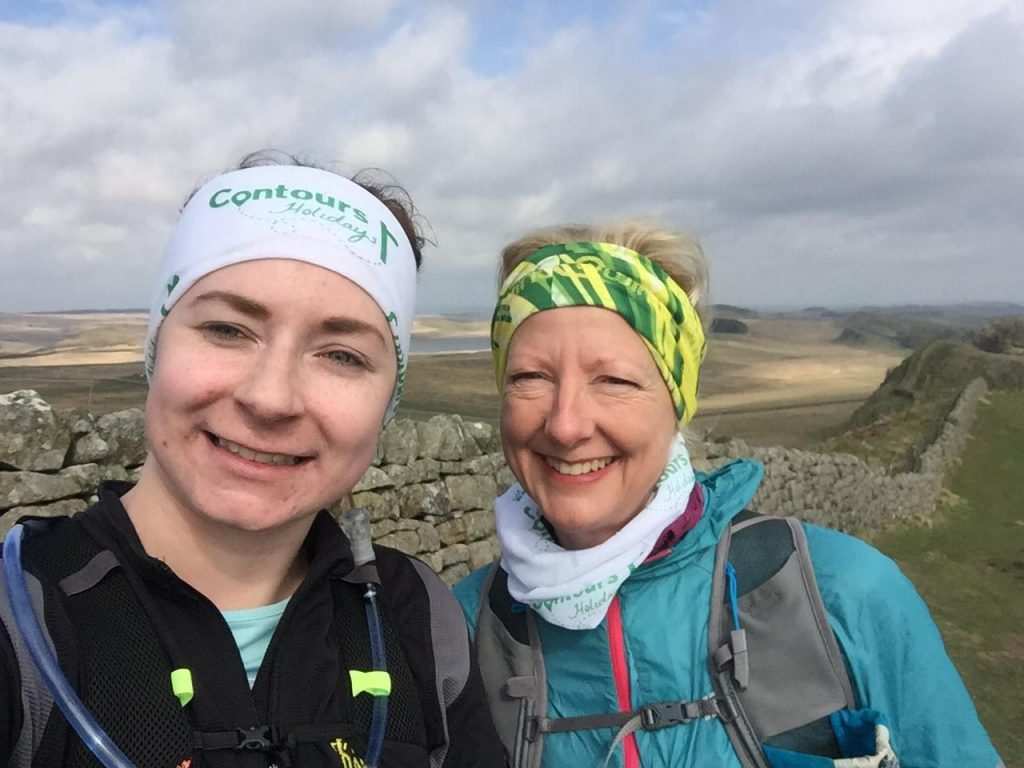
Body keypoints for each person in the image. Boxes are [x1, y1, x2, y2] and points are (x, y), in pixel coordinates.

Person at [0, 151, 503, 768]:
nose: (270, 398)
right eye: (228, 330)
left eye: (342, 355)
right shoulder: (20, 618)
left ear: (388, 404)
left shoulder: (417, 618)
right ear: (156, 349)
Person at [454, 224, 1003, 768]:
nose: (566, 425)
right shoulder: (460, 631)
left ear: (678, 402)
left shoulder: (844, 596)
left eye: (615, 381)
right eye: (529, 377)